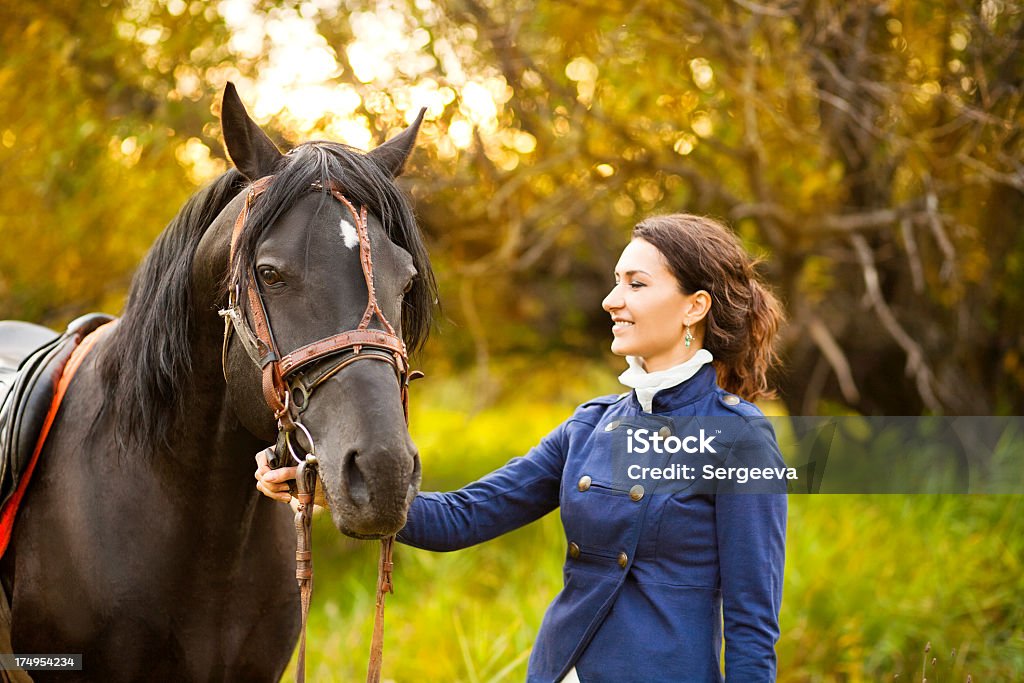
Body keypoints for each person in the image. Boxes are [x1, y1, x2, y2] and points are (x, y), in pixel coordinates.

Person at [256, 213, 788, 682]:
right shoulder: (590, 427)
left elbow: (751, 621)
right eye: (614, 281)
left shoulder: (739, 440)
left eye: (637, 283)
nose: (612, 299)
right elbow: (464, 517)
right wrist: (327, 488)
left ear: (694, 307)